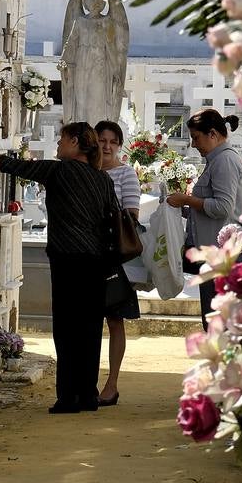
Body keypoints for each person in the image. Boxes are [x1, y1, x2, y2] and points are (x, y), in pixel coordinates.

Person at [0, 122, 117, 414]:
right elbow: (112, 218)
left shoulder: (59, 171)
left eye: (62, 139)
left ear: (75, 141)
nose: (58, 144)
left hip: (68, 260)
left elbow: (11, 165)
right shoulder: (103, 180)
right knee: (90, 329)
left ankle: (68, 397)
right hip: (96, 262)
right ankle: (87, 394)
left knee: (67, 329)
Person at [166, 108, 242, 328]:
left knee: (218, 324)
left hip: (222, 254)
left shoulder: (225, 160)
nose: (193, 144)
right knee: (214, 322)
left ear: (213, 134)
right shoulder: (216, 160)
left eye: (196, 137)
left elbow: (222, 207)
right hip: (214, 253)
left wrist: (187, 200)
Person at [94, 120, 141, 407]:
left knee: (115, 321)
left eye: (113, 141)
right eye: (102, 140)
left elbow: (132, 215)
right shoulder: (86, 172)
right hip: (86, 254)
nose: (107, 146)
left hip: (113, 258)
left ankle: (111, 383)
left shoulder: (126, 174)